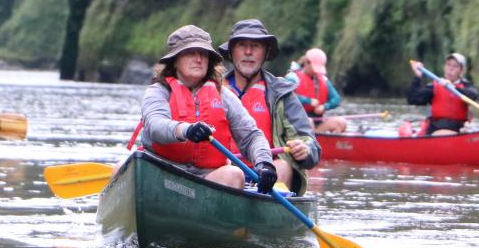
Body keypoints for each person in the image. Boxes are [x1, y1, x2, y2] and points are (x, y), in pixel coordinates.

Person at [140, 25, 277, 192]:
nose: (198, 59)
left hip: (206, 179)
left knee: (234, 175)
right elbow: (155, 126)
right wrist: (186, 130)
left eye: (203, 54)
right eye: (190, 53)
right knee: (122, 165)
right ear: (175, 60)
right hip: (161, 170)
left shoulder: (223, 96)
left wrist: (264, 163)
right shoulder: (158, 92)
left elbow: (251, 136)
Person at [218, 18, 320, 195]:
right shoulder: (212, 89)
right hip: (225, 174)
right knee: (228, 174)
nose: (248, 52)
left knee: (282, 167)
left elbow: (311, 144)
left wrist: (305, 150)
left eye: (256, 46)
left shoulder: (282, 93)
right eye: (242, 45)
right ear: (232, 51)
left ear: (265, 53)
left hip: (268, 176)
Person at [407, 52, 479, 135]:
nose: (450, 69)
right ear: (444, 67)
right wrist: (417, 76)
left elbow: (473, 95)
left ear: (461, 70)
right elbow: (412, 99)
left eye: (455, 66)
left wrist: (453, 88)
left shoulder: (467, 86)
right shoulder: (434, 87)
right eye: (448, 65)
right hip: (436, 129)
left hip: (458, 129)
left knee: (466, 130)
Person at [288, 47, 347, 134]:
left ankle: (324, 143)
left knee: (341, 123)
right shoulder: (292, 78)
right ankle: (309, 143)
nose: (317, 72)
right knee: (309, 122)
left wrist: (324, 106)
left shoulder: (323, 79)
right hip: (296, 121)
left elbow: (336, 99)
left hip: (317, 122)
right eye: (315, 67)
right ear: (307, 63)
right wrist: (308, 101)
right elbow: (286, 96)